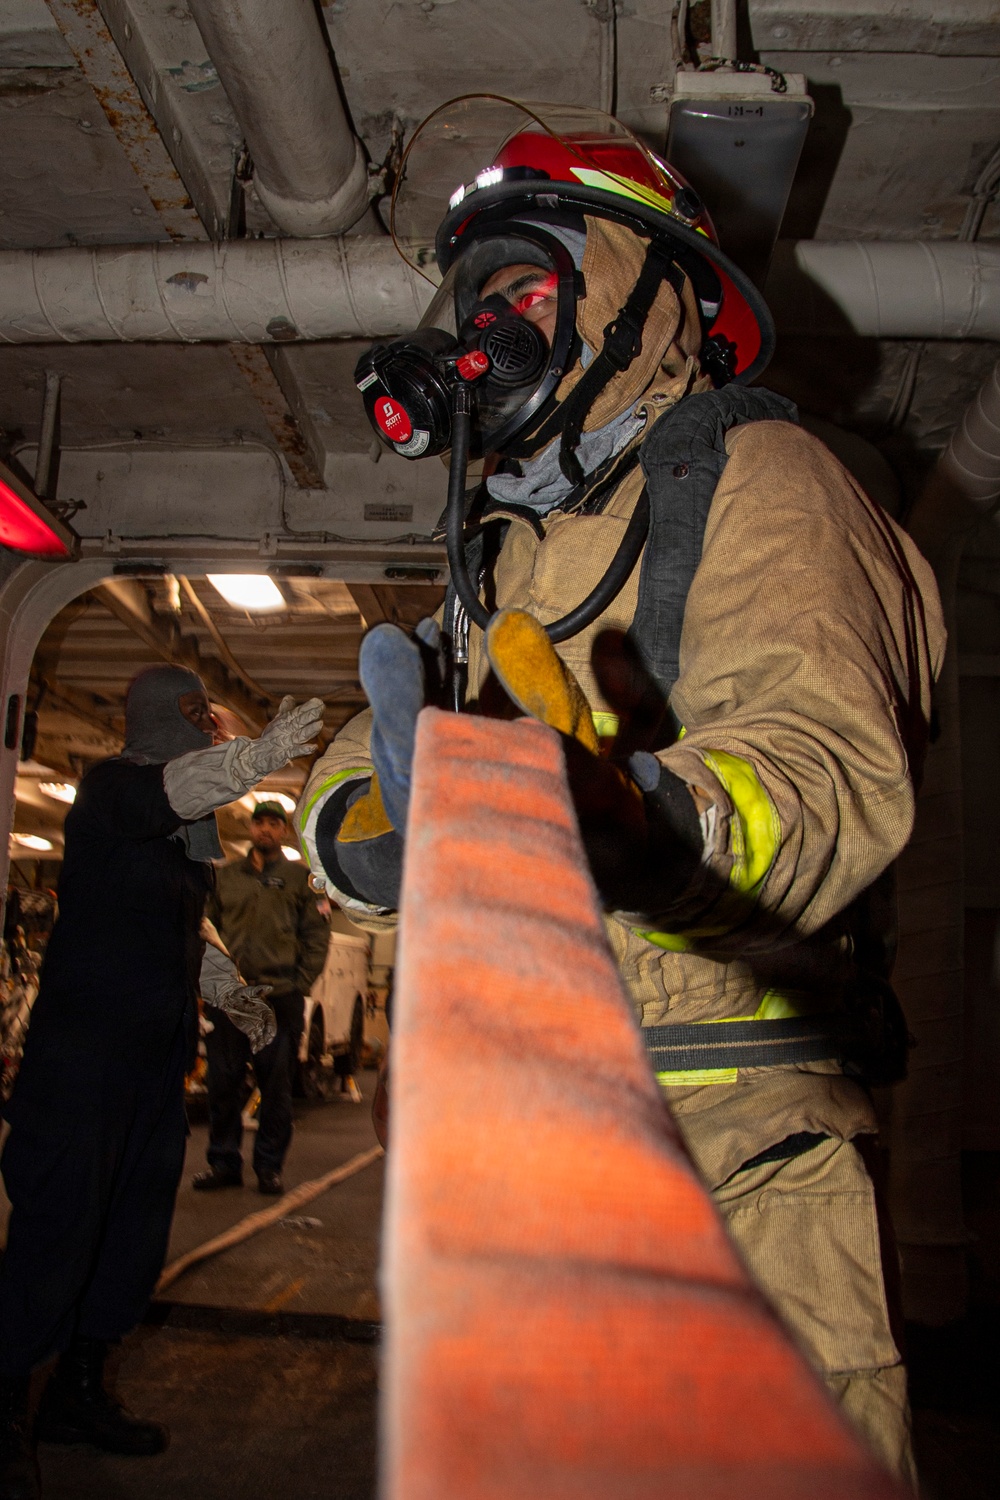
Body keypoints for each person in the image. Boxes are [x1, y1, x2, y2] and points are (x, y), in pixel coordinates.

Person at [296, 102, 945, 1487]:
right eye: (476, 296)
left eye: (529, 282)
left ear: (647, 294)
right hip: (509, 1162)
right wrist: (369, 829)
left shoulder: (765, 481)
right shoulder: (504, 543)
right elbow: (380, 753)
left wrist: (643, 817)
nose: (494, 321)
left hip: (717, 1166)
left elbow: (829, 766)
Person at [0, 667, 324, 1500]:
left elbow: (191, 928)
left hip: (150, 1069)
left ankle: (76, 1392)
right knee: (56, 1234)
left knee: (128, 1240)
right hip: (82, 1068)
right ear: (154, 719)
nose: (210, 731)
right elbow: (176, 786)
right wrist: (256, 757)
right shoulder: (114, 791)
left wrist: (233, 995)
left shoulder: (188, 840)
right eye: (197, 716)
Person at [193, 801, 329, 1196]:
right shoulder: (225, 877)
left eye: (274, 824)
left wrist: (299, 983)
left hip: (277, 998)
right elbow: (205, 928)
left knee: (275, 1088)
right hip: (230, 997)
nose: (265, 830)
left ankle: (269, 1167)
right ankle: (224, 1163)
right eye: (259, 823)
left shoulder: (302, 880)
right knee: (222, 1083)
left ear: (284, 832)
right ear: (251, 828)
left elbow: (317, 937)